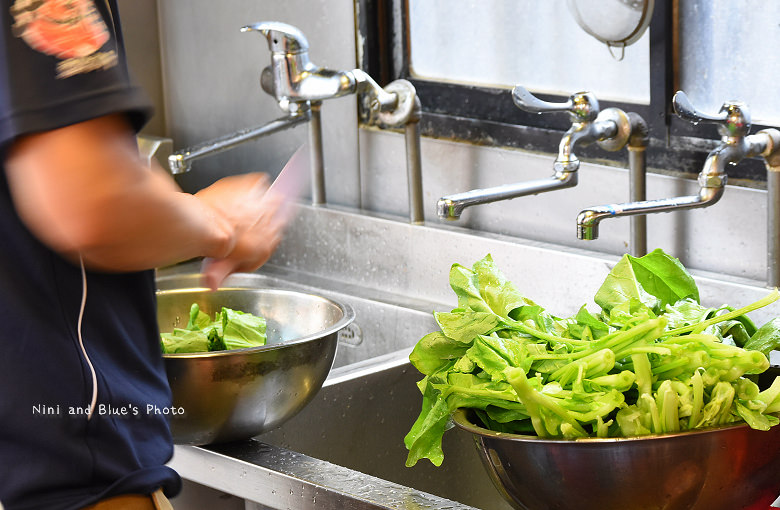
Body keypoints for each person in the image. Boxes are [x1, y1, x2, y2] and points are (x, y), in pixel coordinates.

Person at [0, 1, 289, 508]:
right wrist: (219, 225)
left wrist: (168, 205)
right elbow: (88, 201)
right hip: (69, 475)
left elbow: (92, 150)